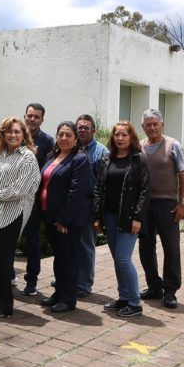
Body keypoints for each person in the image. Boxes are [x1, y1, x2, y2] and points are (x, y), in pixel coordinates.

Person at [0, 117, 40, 319]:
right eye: (9, 131)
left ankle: (4, 305)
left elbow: (20, 189)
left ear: (23, 135)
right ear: (2, 134)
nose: (12, 135)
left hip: (12, 214)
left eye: (17, 132)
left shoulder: (27, 157)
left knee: (3, 260)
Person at [93, 121, 150, 317]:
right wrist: (97, 216)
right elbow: (99, 188)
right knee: (118, 260)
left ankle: (135, 303)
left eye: (124, 135)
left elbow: (145, 191)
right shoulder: (106, 159)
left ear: (131, 137)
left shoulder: (138, 159)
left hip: (128, 217)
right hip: (108, 216)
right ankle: (124, 297)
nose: (120, 138)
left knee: (123, 259)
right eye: (117, 134)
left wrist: (137, 217)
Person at [37, 121, 91, 314]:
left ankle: (68, 299)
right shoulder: (53, 156)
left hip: (66, 221)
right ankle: (59, 293)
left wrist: (63, 220)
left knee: (68, 259)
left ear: (76, 139)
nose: (64, 138)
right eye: (61, 134)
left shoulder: (79, 159)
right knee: (59, 258)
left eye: (69, 135)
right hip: (50, 217)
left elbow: (76, 192)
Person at [138, 108, 184, 309]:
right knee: (145, 247)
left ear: (162, 125)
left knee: (171, 247)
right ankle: (154, 286)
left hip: (167, 204)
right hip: (144, 205)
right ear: (143, 127)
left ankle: (170, 290)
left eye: (155, 124)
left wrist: (182, 204)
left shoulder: (173, 145)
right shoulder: (139, 146)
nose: (152, 127)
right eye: (148, 124)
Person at [21, 103, 55, 296]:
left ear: (42, 120)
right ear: (25, 116)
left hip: (33, 200)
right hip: (13, 198)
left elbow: (49, 169)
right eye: (30, 115)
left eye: (36, 117)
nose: (32, 119)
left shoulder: (47, 141)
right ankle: (9, 273)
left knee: (32, 242)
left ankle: (31, 280)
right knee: (10, 239)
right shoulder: (16, 135)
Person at [74, 114, 109, 298]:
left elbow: (104, 184)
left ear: (93, 130)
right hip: (71, 205)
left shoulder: (101, 152)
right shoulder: (72, 147)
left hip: (89, 207)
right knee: (70, 244)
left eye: (86, 127)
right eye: (79, 127)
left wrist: (98, 213)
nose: (82, 130)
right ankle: (70, 278)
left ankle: (84, 283)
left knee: (86, 245)